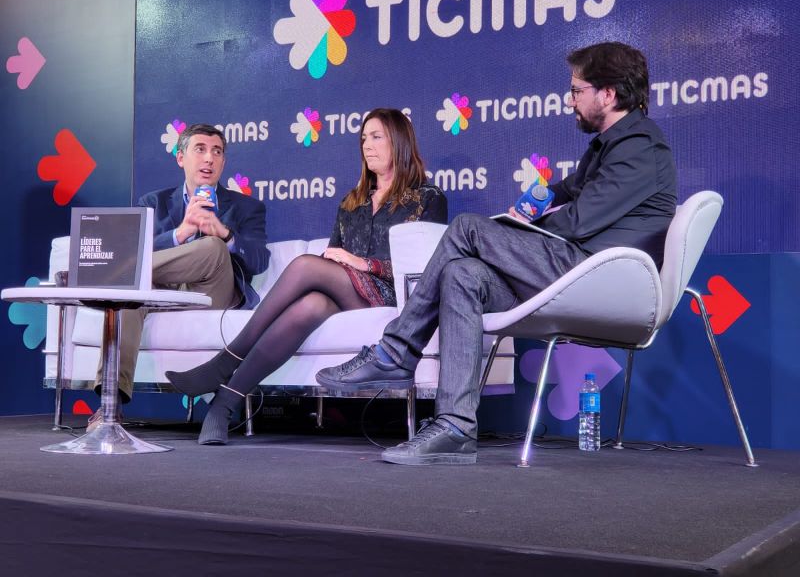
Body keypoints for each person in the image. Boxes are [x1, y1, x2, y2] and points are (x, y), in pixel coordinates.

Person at [315, 42, 678, 466]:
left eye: (577, 90)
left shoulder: (640, 147)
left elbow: (580, 222)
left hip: (597, 276)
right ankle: (455, 427)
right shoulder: (612, 145)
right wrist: (537, 200)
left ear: (609, 94)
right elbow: (568, 189)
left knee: (468, 228)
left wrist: (511, 231)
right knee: (462, 274)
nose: (571, 100)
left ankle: (395, 352)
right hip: (575, 268)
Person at [166, 108, 448, 445]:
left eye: (376, 137)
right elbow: (333, 256)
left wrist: (363, 263)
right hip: (350, 293)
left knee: (304, 266)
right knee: (311, 305)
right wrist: (345, 263)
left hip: (393, 294)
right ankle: (224, 406)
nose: (367, 146)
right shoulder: (352, 202)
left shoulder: (428, 199)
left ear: (399, 141)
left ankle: (225, 361)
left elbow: (425, 267)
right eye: (363, 139)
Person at [88, 123, 269, 430]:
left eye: (217, 152)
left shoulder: (247, 207)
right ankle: (111, 404)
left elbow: (259, 261)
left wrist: (225, 234)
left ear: (223, 161)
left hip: (213, 293)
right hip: (162, 292)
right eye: (200, 149)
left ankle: (110, 274)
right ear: (181, 157)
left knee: (211, 247)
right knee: (128, 297)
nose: (209, 158)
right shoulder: (153, 203)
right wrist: (180, 233)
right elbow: (135, 248)